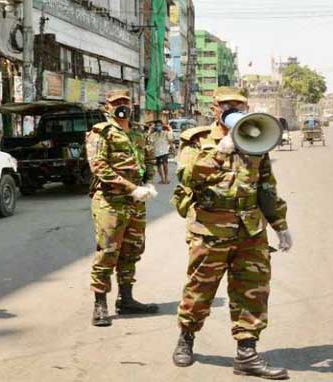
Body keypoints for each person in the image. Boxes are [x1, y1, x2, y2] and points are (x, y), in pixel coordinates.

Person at [171, 87, 293, 379]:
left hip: (250, 230)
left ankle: (247, 353)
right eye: (225, 105)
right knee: (200, 289)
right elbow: (186, 177)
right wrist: (218, 151)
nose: (231, 109)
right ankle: (186, 338)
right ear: (214, 108)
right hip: (210, 229)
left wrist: (281, 225)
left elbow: (266, 188)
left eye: (237, 105)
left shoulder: (256, 137)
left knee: (253, 291)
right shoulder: (197, 140)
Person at [85, 90, 160, 327]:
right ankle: (100, 304)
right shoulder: (101, 133)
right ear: (107, 107)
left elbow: (148, 159)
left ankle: (126, 299)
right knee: (108, 251)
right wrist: (130, 187)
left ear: (131, 105)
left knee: (132, 249)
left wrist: (148, 181)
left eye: (125, 102)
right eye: (116, 103)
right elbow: (100, 168)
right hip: (111, 201)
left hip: (136, 202)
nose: (121, 106)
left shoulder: (138, 132)